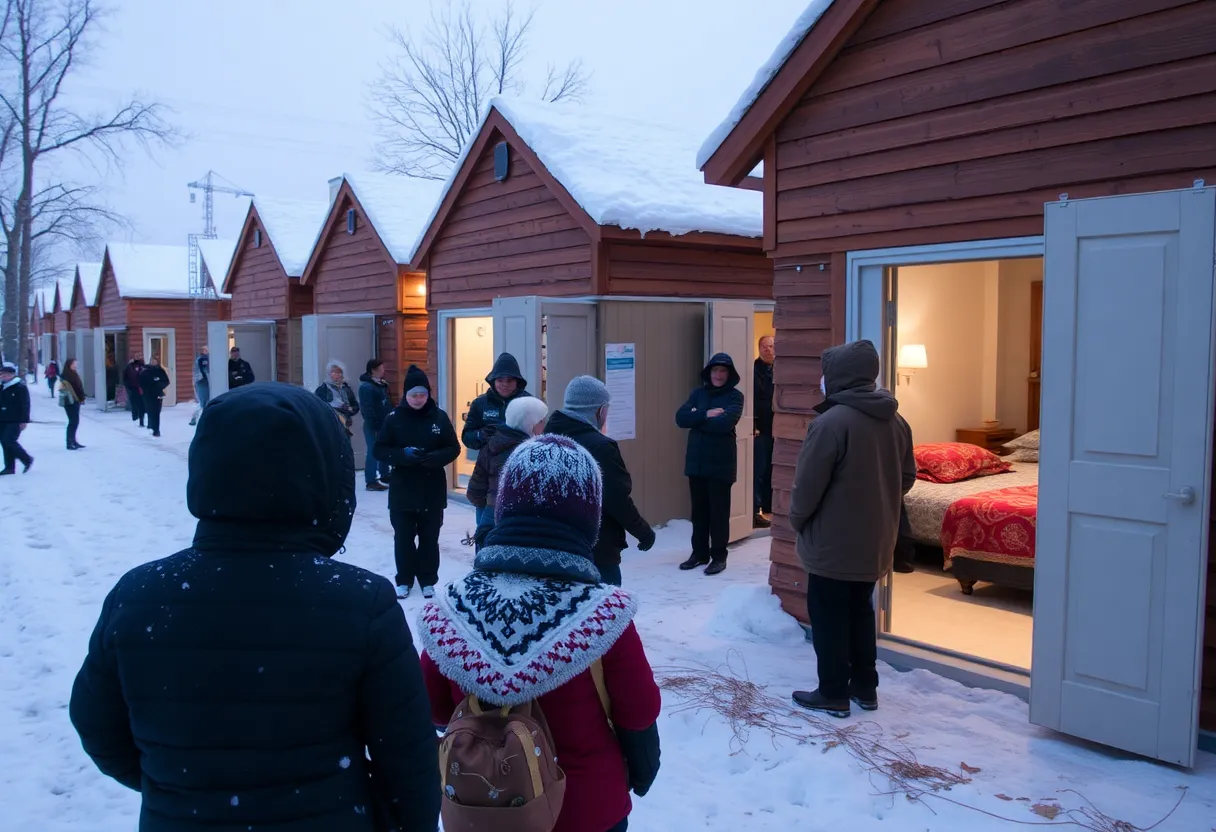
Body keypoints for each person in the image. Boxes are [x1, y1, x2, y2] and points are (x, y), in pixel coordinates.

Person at [68, 383, 441, 831]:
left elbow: (98, 728)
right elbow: (410, 766)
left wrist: (181, 788)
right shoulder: (362, 603)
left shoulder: (138, 594)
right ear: (326, 476)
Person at [418, 434, 662, 832]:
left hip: (485, 810)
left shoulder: (453, 607)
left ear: (505, 506)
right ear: (589, 518)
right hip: (588, 808)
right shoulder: (603, 613)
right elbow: (639, 711)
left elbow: (435, 708)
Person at [787, 340, 915, 718]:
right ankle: (864, 687)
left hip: (832, 543)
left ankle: (832, 692)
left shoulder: (830, 424)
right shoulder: (896, 421)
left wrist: (798, 520)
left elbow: (807, 489)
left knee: (828, 617)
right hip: (876, 541)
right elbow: (907, 477)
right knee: (860, 611)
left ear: (837, 377)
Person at [545, 375, 656, 587]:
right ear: (599, 410)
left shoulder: (546, 438)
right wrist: (643, 532)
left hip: (553, 545)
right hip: (595, 548)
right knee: (604, 604)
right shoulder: (600, 447)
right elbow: (616, 498)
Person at [374, 365, 460, 600]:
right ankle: (404, 579)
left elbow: (453, 447)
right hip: (403, 490)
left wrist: (436, 458)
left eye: (422, 394)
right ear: (406, 395)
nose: (418, 399)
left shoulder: (439, 417)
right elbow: (379, 449)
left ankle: (427, 579)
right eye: (414, 395)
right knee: (403, 538)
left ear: (428, 394)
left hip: (432, 489)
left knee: (429, 538)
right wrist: (402, 455)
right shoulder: (394, 418)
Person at [675, 353, 744, 575]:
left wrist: (697, 418)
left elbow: (724, 424)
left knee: (719, 514)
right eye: (715, 370)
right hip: (697, 463)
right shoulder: (698, 394)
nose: (718, 375)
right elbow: (681, 418)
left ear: (729, 374)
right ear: (709, 372)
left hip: (721, 465)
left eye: (723, 371)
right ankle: (699, 554)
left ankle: (719, 556)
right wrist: (706, 414)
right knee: (699, 513)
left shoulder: (735, 397)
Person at [466, 395, 549, 549]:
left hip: (490, 517)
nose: (544, 425)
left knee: (487, 561)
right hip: (519, 522)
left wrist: (489, 506)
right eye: (541, 421)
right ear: (529, 423)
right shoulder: (534, 452)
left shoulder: (491, 444)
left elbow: (475, 490)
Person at [358, 358, 392, 492]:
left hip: (384, 422)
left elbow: (387, 403)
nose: (384, 370)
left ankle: (385, 473)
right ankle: (371, 480)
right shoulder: (367, 387)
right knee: (373, 451)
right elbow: (367, 408)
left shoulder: (381, 385)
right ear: (374, 370)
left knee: (384, 448)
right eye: (381, 368)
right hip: (373, 424)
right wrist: (375, 424)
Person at [754, 335, 776, 529]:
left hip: (778, 428)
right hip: (760, 429)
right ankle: (755, 510)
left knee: (773, 468)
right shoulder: (753, 370)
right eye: (765, 347)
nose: (769, 350)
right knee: (758, 470)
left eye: (772, 346)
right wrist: (753, 424)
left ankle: (771, 506)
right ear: (759, 348)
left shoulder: (781, 369)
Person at [0, 361, 33, 474]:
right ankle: (9, 467)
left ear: (12, 375)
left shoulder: (19, 387)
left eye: (5, 374)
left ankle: (26, 459)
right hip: (2, 419)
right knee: (4, 442)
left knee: (9, 440)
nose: (3, 376)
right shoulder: (2, 387)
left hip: (15, 419)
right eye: (2, 374)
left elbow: (25, 404)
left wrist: (24, 420)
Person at [314, 360, 358, 438]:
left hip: (346, 420)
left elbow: (355, 405)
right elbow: (317, 406)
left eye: (338, 372)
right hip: (330, 422)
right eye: (333, 372)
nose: (336, 375)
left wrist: (351, 409)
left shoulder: (346, 388)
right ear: (329, 374)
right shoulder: (323, 389)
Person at [57, 357, 87, 450]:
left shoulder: (73, 374)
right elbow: (76, 388)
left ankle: (73, 441)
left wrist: (81, 397)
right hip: (70, 401)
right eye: (74, 364)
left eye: (76, 363)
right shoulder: (68, 376)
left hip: (75, 400)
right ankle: (69, 442)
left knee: (74, 421)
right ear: (69, 365)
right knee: (73, 421)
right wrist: (81, 397)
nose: (75, 365)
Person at [138, 357, 170, 438]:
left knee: (156, 412)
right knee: (150, 410)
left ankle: (156, 429)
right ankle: (152, 426)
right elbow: (140, 382)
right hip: (147, 394)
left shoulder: (160, 371)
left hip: (157, 393)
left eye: (155, 361)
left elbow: (166, 381)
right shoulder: (145, 371)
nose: (153, 362)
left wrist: (159, 385)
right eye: (152, 361)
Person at [189, 345, 209, 426]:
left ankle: (196, 418)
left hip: (201, 381)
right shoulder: (202, 359)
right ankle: (195, 418)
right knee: (203, 402)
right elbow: (203, 371)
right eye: (205, 350)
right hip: (202, 382)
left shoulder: (202, 359)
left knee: (203, 401)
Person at [122, 357, 145, 426]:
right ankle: (135, 415)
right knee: (134, 403)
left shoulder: (143, 367)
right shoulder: (129, 367)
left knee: (141, 404)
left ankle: (141, 420)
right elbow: (125, 377)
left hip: (141, 388)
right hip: (133, 388)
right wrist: (127, 385)